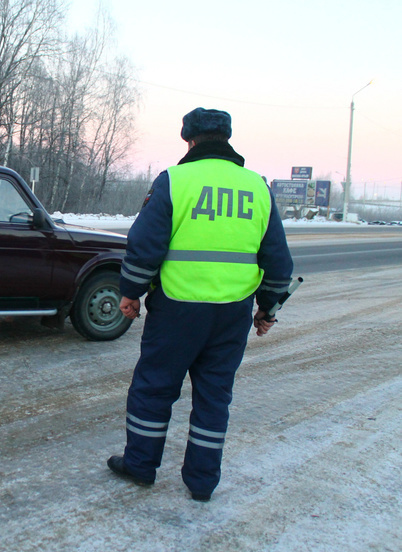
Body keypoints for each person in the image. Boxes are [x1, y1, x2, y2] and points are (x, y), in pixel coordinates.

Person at [107, 107, 294, 501]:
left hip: (177, 309)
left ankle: (140, 466)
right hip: (232, 313)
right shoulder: (257, 187)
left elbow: (144, 247)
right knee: (214, 397)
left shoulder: (175, 180)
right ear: (226, 139)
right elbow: (278, 262)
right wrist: (267, 309)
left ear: (189, 140)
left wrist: (130, 293)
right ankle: (202, 483)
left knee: (154, 388)